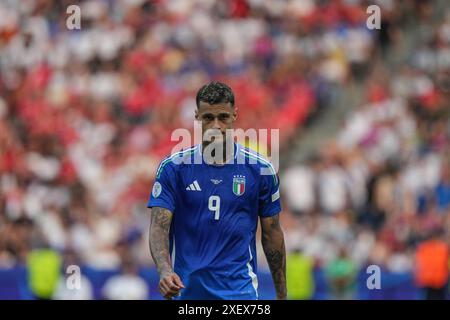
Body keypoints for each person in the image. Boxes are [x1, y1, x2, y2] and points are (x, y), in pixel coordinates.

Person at [148, 81, 286, 300]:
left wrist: (281, 294)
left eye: (223, 117)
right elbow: (159, 227)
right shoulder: (174, 168)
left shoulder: (261, 169)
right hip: (187, 292)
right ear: (197, 117)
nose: (216, 125)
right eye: (208, 118)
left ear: (234, 115)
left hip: (240, 294)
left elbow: (272, 233)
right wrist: (164, 270)